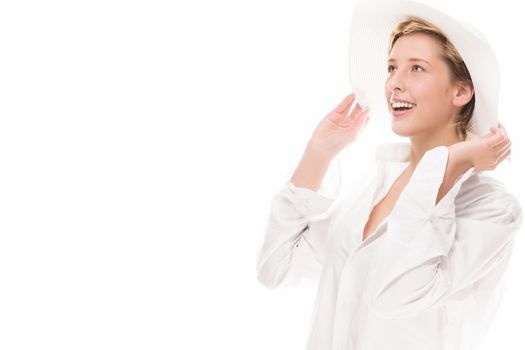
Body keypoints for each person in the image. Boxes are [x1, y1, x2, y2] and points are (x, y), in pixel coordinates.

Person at [255, 0, 523, 349]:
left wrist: (450, 163)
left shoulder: (492, 208)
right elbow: (275, 269)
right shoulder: (371, 188)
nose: (395, 83)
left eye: (417, 69)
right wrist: (318, 152)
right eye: (391, 67)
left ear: (461, 91)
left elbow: (399, 294)